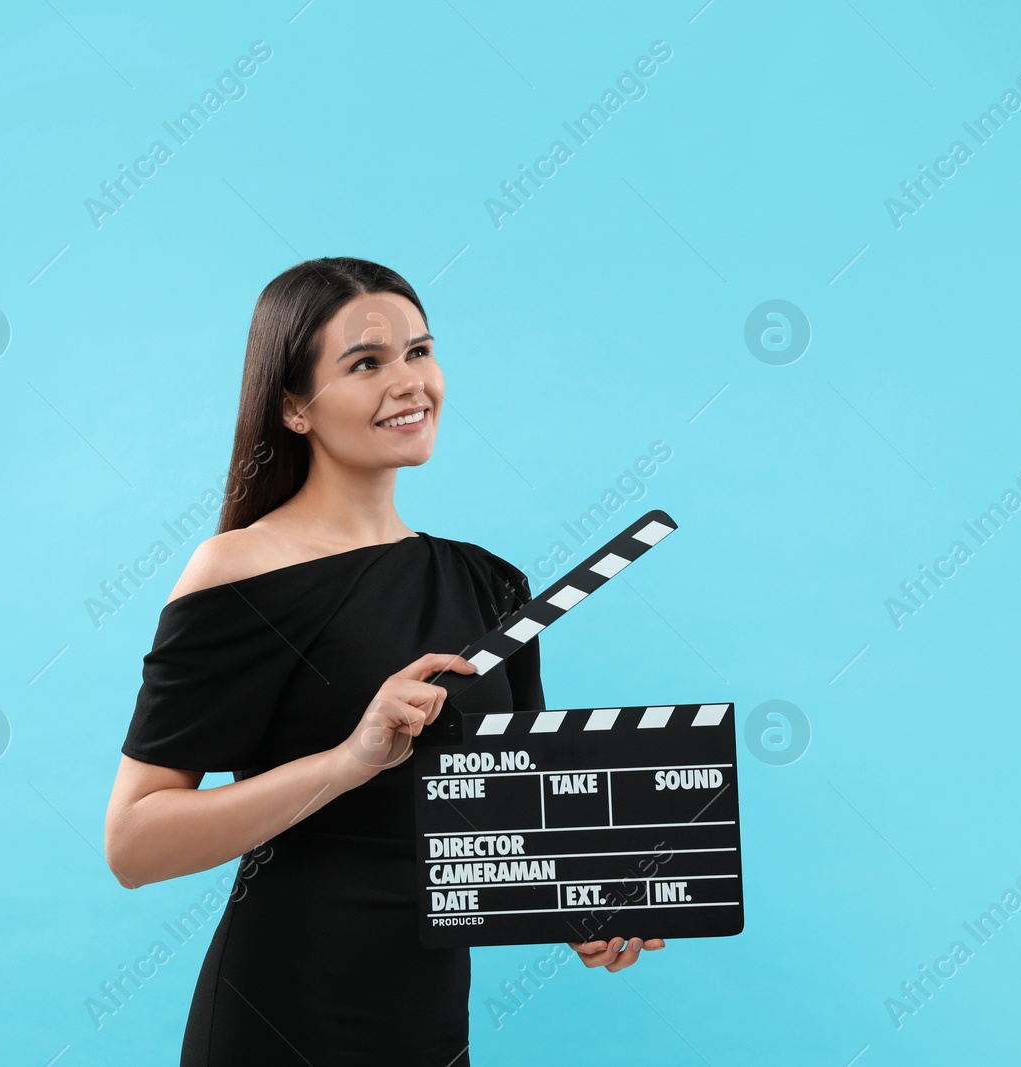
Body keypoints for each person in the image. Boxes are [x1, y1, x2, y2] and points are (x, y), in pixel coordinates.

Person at [103, 257, 664, 1066]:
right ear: (294, 406)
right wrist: (347, 760)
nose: (409, 382)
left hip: (427, 1021)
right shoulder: (238, 571)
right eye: (366, 362)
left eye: (419, 352)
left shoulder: (491, 583)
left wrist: (581, 906)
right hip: (283, 1008)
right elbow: (133, 841)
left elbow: (507, 811)